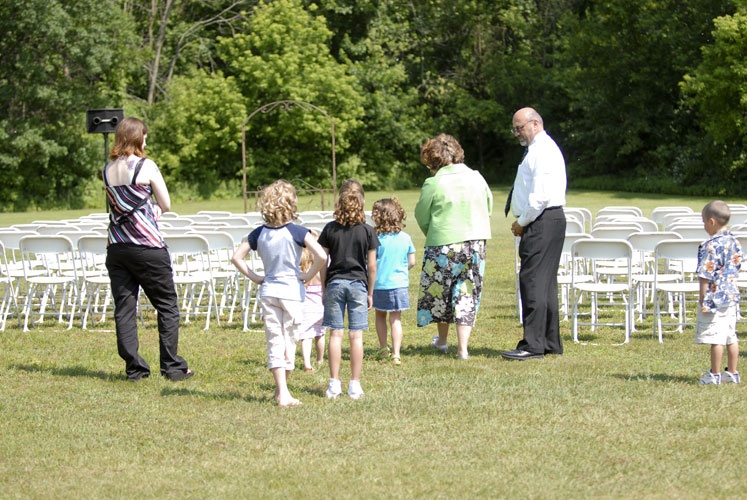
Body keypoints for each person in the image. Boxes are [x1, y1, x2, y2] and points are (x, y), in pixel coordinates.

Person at [102, 117, 193, 381]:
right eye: (144, 135)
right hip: (146, 245)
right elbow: (166, 203)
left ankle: (135, 369)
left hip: (117, 245)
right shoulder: (146, 165)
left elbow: (118, 205)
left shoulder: (107, 169)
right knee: (166, 305)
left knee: (125, 309)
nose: (146, 140)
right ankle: (172, 367)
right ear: (136, 137)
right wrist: (155, 208)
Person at [231, 180, 327, 406]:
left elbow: (236, 257)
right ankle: (283, 393)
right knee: (289, 340)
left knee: (275, 340)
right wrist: (308, 274)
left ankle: (280, 390)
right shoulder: (297, 231)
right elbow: (322, 256)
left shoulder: (258, 233)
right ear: (291, 204)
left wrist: (255, 277)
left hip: (269, 292)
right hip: (291, 293)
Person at [414, 133, 493, 360]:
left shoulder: (433, 182)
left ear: (433, 159)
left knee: (442, 292)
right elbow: (488, 206)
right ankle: (463, 349)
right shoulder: (477, 177)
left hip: (442, 244)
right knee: (466, 292)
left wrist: (433, 232)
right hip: (475, 243)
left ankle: (442, 341)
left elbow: (421, 215)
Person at [501, 107, 567, 361]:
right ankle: (549, 341)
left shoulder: (542, 151)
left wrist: (522, 222)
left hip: (541, 220)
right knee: (545, 283)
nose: (517, 133)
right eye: (514, 129)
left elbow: (539, 197)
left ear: (535, 124)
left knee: (533, 281)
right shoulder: (540, 149)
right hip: (548, 219)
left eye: (520, 128)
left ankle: (533, 344)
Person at [318, 179, 380, 400]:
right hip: (358, 286)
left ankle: (334, 383)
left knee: (335, 334)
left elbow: (322, 261)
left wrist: (324, 287)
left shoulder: (329, 229)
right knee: (356, 336)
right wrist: (370, 292)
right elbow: (372, 266)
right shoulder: (368, 231)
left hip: (335, 283)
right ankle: (354, 384)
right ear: (361, 204)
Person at [695, 200, 743, 385]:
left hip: (714, 297)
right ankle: (732, 372)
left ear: (712, 222)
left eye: (704, 222)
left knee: (716, 338)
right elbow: (738, 265)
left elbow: (704, 274)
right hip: (731, 295)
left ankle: (714, 374)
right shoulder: (735, 242)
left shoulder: (710, 245)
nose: (704, 226)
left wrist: (702, 296)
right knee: (731, 336)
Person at [371, 197, 416, 366]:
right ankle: (396, 353)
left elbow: (371, 262)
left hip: (380, 284)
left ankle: (384, 348)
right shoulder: (405, 237)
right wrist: (402, 271)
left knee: (380, 315)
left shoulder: (375, 238)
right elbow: (412, 261)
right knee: (396, 319)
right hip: (399, 284)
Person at [298, 230, 326, 372]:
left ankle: (307, 363)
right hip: (321, 304)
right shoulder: (322, 265)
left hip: (307, 306)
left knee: (306, 336)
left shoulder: (302, 267)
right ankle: (320, 359)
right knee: (320, 334)